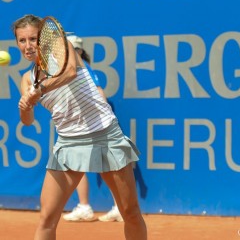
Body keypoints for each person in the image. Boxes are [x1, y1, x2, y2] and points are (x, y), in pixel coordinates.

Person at [14, 14, 147, 240]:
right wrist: (25, 106)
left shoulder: (61, 47)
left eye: (33, 39)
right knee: (47, 218)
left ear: (43, 38)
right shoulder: (28, 79)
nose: (28, 46)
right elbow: (27, 121)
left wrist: (40, 90)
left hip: (105, 135)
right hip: (68, 144)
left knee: (130, 212)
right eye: (22, 40)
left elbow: (70, 72)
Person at [63, 34, 123, 222]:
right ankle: (87, 206)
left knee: (105, 166)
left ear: (79, 51)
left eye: (71, 48)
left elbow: (98, 91)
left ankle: (110, 207)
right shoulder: (72, 69)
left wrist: (105, 118)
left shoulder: (82, 69)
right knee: (77, 164)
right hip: (82, 124)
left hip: (92, 124)